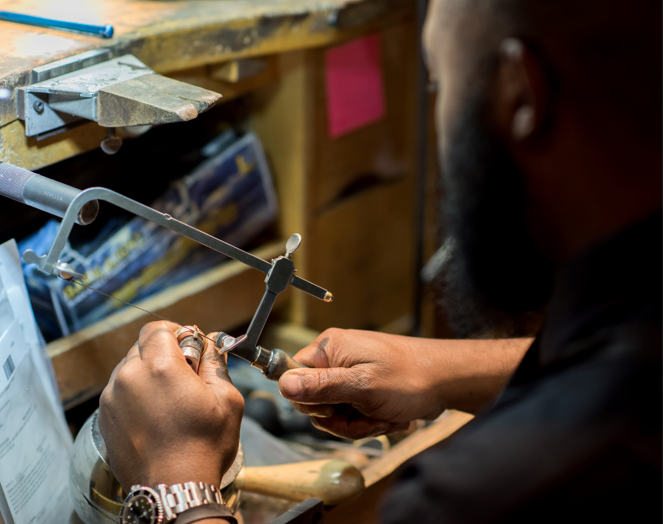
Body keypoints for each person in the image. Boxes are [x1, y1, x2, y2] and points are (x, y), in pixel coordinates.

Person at [98, 0, 662, 522]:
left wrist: (178, 484)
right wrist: (449, 371)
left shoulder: (486, 494)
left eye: (440, 82)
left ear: (520, 95)